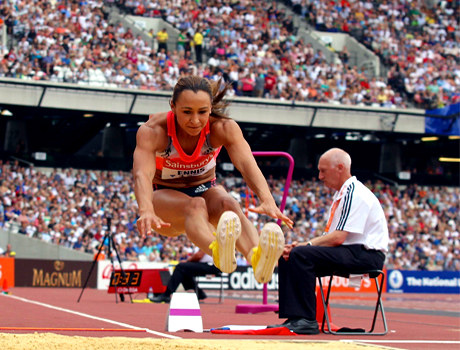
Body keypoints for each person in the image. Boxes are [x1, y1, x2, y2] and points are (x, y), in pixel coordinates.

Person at [133, 76, 293, 284]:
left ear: (210, 108)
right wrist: (145, 209)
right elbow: (141, 174)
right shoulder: (154, 131)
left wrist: (267, 199)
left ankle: (256, 257)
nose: (195, 121)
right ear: (172, 106)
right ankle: (218, 251)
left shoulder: (223, 128)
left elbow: (247, 164)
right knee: (195, 205)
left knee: (228, 202)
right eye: (187, 112)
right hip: (164, 201)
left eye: (202, 112)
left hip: (205, 188)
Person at [268, 148, 389, 334]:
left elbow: (338, 238)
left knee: (300, 254)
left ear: (340, 168)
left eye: (323, 170)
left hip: (366, 254)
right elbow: (331, 238)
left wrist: (306, 245)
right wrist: (302, 246)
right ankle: (295, 317)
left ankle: (307, 319)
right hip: (351, 250)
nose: (320, 176)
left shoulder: (354, 193)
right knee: (290, 256)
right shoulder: (342, 193)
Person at [149, 250, 219, 303]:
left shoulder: (208, 236)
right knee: (184, 271)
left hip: (211, 265)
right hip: (210, 265)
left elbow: (199, 256)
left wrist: (188, 260)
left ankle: (167, 294)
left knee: (180, 267)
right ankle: (200, 293)